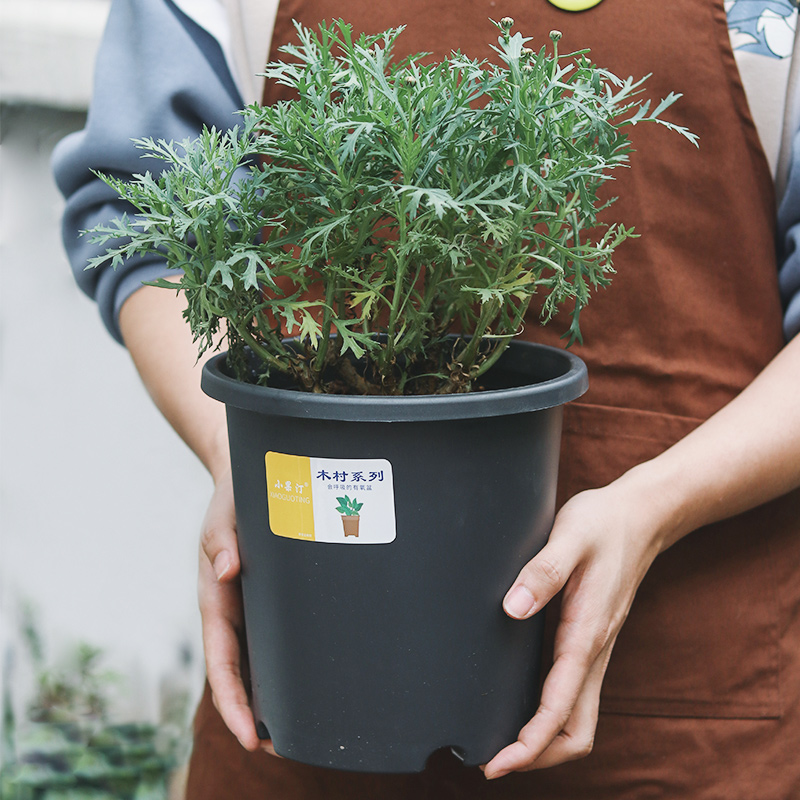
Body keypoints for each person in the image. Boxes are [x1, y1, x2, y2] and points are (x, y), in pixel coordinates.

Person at [53, 0, 800, 797]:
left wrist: (655, 507)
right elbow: (148, 214)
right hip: (309, 709)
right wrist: (239, 454)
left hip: (688, 708)